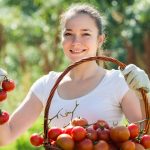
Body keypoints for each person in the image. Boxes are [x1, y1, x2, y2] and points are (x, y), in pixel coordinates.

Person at [0, 3, 150, 146]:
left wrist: (142, 95)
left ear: (100, 40)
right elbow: (6, 136)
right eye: (69, 34)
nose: (76, 42)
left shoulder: (117, 82)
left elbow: (145, 136)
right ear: (61, 39)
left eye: (85, 34)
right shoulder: (46, 85)